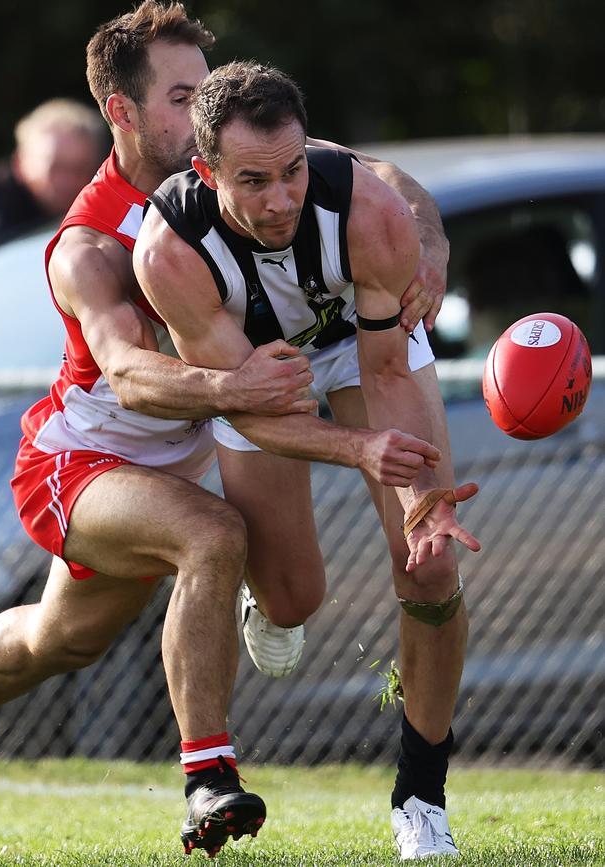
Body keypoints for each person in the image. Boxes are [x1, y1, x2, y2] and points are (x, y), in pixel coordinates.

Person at [0, 2, 449, 859]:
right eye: (183, 96)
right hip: (94, 456)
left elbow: (379, 178)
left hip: (204, 439)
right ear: (123, 112)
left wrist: (430, 245)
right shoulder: (93, 243)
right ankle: (205, 778)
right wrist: (234, 384)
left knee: (67, 631)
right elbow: (130, 378)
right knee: (162, 566)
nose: (206, 104)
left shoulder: (245, 164)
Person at [133, 61, 481, 861]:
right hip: (258, 377)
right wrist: (356, 447)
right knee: (293, 599)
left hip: (367, 351)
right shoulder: (170, 252)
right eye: (254, 181)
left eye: (292, 172)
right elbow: (249, 402)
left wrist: (426, 496)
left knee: (427, 565)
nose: (282, 199)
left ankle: (421, 794)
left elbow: (389, 370)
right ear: (205, 170)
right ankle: (271, 603)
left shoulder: (365, 207)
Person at [0, 98, 108, 266]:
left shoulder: (106, 197)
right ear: (20, 163)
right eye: (55, 168)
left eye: (79, 169)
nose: (68, 182)